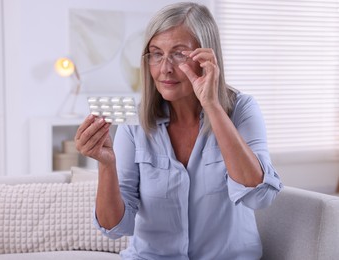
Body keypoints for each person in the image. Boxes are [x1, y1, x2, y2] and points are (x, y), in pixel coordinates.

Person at [75, 2, 282, 259]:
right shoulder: (135, 124)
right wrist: (106, 165)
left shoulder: (242, 109)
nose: (165, 69)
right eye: (156, 54)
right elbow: (115, 227)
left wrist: (212, 105)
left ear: (207, 58)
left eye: (179, 54)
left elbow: (259, 198)